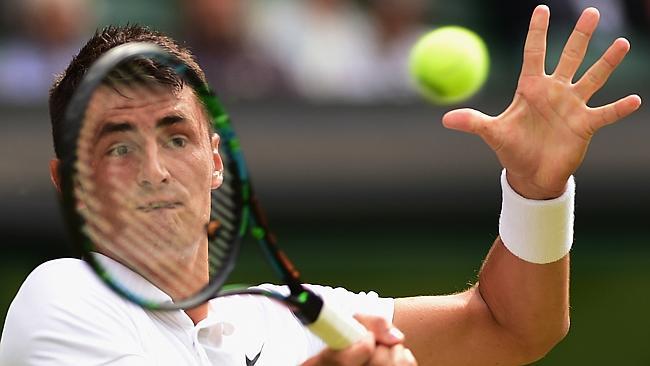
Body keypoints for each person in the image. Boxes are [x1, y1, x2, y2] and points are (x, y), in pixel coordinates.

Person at [0, 5, 642, 365]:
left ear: (217, 161)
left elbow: (510, 324)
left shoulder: (285, 318)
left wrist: (535, 190)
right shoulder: (59, 299)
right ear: (70, 184)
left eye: (176, 135)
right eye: (117, 145)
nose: (155, 170)